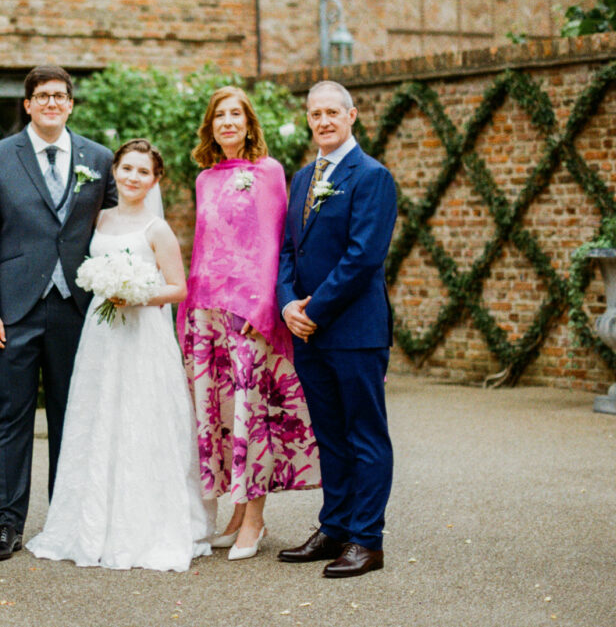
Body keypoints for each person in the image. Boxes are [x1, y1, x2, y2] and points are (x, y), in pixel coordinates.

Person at [27, 139, 212, 572]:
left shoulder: (157, 230)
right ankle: (92, 521)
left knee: (142, 418)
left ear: (155, 180)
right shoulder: (100, 218)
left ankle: (145, 525)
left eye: (143, 172)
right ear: (114, 172)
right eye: (127, 168)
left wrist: (137, 293)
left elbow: (178, 288)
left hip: (143, 335)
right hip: (102, 335)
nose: (133, 177)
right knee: (99, 417)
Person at [0, 64, 118, 562]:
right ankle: (7, 524)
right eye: (42, 96)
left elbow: (115, 227)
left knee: (72, 417)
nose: (52, 103)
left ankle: (65, 520)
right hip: (13, 311)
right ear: (27, 104)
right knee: (10, 416)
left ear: (71, 104)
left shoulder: (97, 157)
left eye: (61, 95)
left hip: (76, 307)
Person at [178, 86, 319, 561]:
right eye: (219, 115)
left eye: (236, 113)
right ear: (211, 126)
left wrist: (264, 312)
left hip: (248, 313)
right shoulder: (205, 178)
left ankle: (254, 520)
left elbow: (274, 242)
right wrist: (188, 312)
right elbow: (200, 246)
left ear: (249, 122)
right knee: (218, 418)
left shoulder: (269, 171)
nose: (228, 122)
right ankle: (235, 512)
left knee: (250, 417)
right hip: (206, 312)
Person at [275, 80, 397, 579]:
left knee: (365, 434)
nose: (322, 121)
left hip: (354, 330)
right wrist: (287, 305)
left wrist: (314, 309)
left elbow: (364, 256)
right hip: (308, 332)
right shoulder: (303, 178)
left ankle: (366, 541)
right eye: (315, 113)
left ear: (352, 116)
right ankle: (335, 527)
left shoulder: (372, 176)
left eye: (332, 112)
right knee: (329, 436)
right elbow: (287, 251)